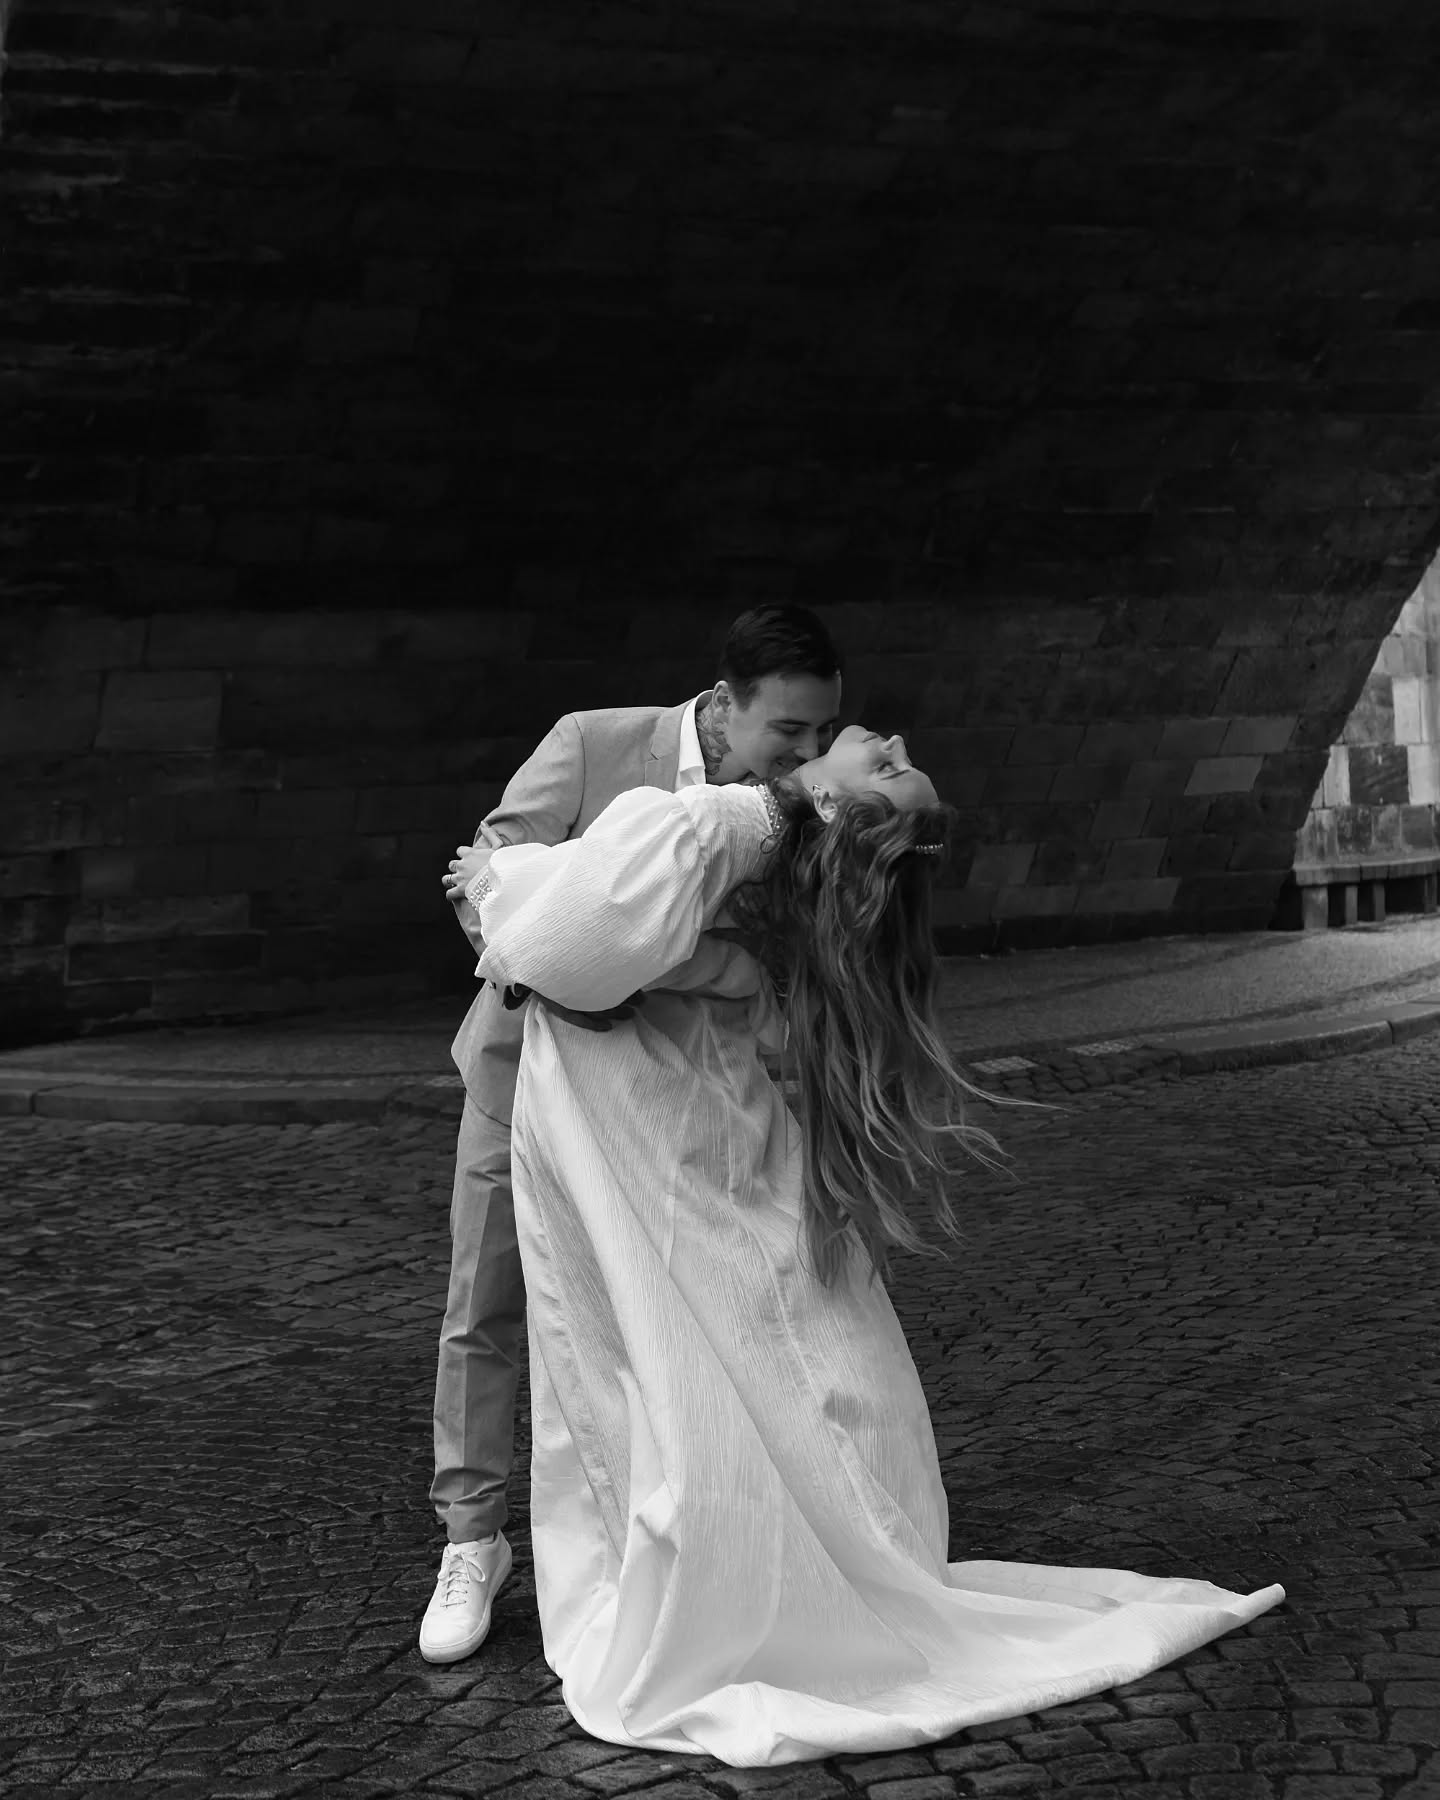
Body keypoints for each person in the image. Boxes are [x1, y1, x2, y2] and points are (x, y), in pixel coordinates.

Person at [439, 726, 1286, 1766]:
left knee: (664, 1362)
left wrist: (500, 882)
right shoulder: (747, 843)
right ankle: (793, 1544)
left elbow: (562, 947)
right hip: (682, 1132)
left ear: (837, 806)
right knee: (725, 1346)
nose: (889, 737)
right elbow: (616, 948)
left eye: (886, 767)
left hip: (650, 1132)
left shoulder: (723, 823)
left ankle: (753, 1563)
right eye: (894, 753)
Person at [420, 605, 844, 1664]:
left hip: (682, 1100)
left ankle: (673, 1532)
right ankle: (471, 1541)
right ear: (723, 704)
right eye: (788, 731)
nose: (806, 754)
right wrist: (598, 958)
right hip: (526, 1071)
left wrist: (641, 954)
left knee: (681, 1311)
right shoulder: (590, 742)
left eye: (822, 732)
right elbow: (487, 886)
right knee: (484, 1303)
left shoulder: (801, 808)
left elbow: (780, 955)